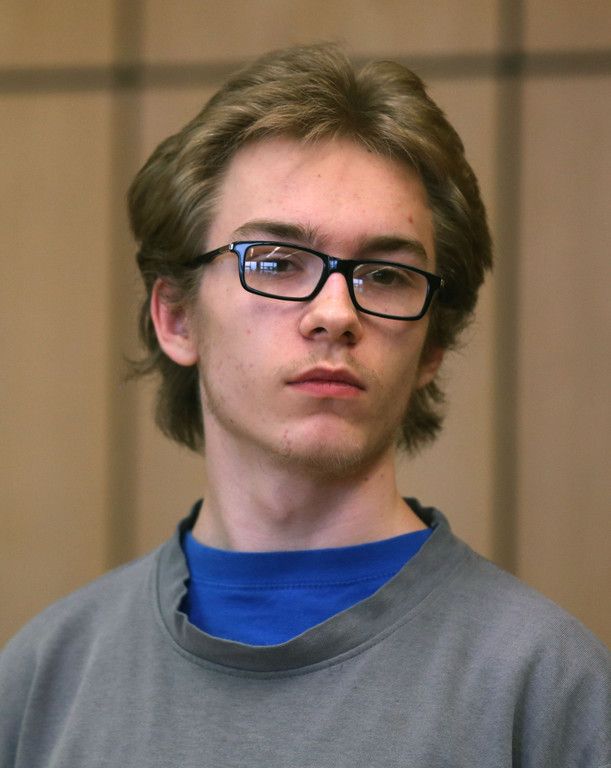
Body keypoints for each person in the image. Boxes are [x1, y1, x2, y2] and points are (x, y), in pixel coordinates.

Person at [1, 43, 608, 768]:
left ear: (433, 347)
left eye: (385, 275)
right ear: (177, 318)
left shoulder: (546, 688)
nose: (335, 313)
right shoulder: (42, 680)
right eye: (277, 262)